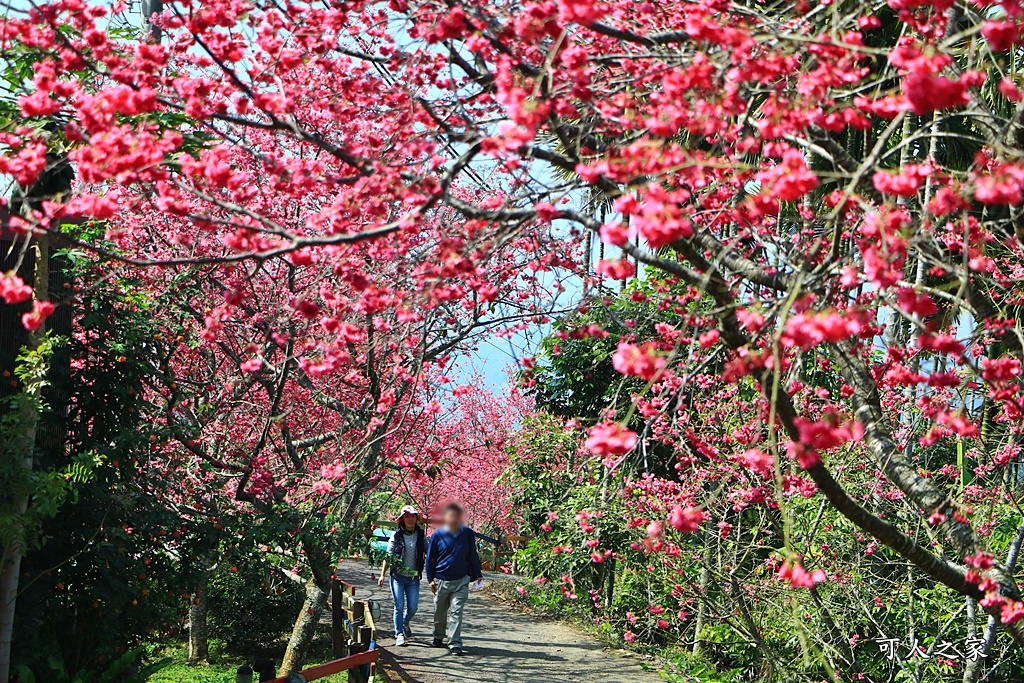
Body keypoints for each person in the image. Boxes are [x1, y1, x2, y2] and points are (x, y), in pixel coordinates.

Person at [426, 503, 483, 656]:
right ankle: (438, 636)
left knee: (456, 612)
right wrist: (430, 579)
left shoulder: (467, 533)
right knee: (440, 612)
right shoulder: (438, 535)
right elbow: (430, 558)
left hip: (461, 580)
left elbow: (472, 554)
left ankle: (455, 643)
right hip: (441, 580)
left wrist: (477, 573)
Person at [377, 505, 426, 646]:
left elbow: (429, 552)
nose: (410, 519)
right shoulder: (396, 535)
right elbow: (388, 555)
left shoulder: (421, 535)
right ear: (402, 519)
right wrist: (382, 575)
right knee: (398, 606)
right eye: (407, 516)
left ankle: (405, 623)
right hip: (397, 576)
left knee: (413, 607)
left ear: (416, 518)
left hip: (413, 577)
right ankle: (399, 633)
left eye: (413, 516)